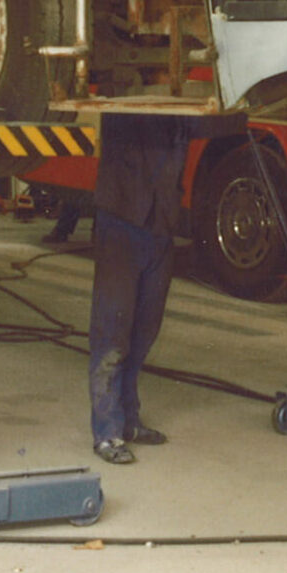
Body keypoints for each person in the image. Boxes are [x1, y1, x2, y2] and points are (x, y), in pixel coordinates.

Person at [86, 112, 190, 464]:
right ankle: (106, 433)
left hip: (160, 229)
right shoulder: (124, 98)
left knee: (144, 333)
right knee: (112, 335)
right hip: (121, 224)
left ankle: (129, 421)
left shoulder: (181, 112)